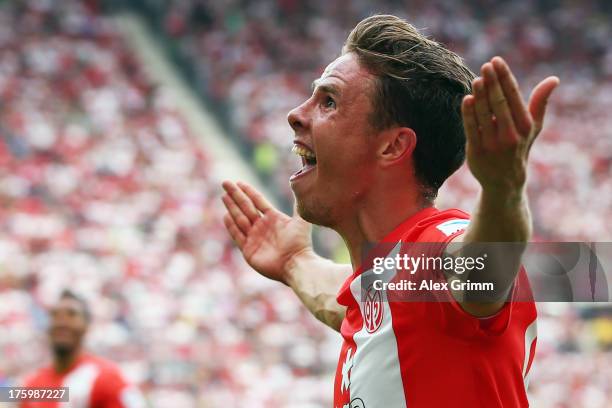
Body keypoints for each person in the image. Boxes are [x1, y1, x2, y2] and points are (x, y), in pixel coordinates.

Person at [221, 14, 559, 408]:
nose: (295, 113)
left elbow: (483, 269)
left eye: (329, 101)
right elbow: (350, 299)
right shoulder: (387, 284)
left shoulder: (438, 246)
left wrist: (503, 189)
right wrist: (295, 262)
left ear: (393, 147)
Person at [20, 290, 145, 408]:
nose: (62, 322)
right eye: (55, 315)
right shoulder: (33, 384)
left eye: (71, 315)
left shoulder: (106, 377)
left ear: (87, 326)